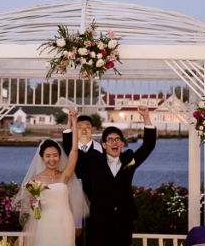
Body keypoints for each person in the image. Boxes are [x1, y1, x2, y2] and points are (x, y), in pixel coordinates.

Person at [76, 105, 156, 246]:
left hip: (124, 219)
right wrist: (71, 126)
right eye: (110, 140)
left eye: (118, 139)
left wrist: (146, 117)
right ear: (104, 145)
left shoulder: (129, 160)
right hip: (99, 219)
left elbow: (148, 146)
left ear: (122, 144)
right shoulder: (93, 161)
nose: (114, 142)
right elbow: (72, 152)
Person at [15, 111, 89, 246]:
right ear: (42, 158)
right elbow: (35, 210)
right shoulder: (35, 180)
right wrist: (33, 204)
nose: (52, 159)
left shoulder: (64, 175)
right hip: (46, 223)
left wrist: (73, 123)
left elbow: (74, 151)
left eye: (55, 155)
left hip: (65, 222)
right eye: (48, 156)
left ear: (59, 157)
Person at [62, 113, 104, 246]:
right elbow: (67, 141)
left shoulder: (101, 149)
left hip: (95, 195)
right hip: (75, 194)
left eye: (87, 126)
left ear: (93, 128)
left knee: (94, 231)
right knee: (75, 231)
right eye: (80, 127)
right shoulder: (70, 150)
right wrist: (70, 122)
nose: (84, 130)